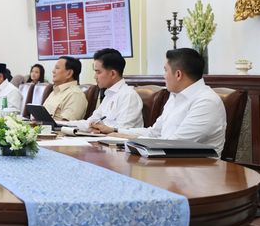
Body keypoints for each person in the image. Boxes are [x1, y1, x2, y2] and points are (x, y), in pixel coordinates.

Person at [91, 48, 227, 156]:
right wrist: (115, 131)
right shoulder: (175, 97)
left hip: (198, 172)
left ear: (178, 74)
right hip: (170, 164)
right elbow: (154, 133)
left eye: (165, 70)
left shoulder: (206, 102)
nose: (163, 76)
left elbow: (175, 144)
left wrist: (125, 137)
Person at [65, 48, 142, 132]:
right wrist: (60, 124)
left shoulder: (128, 96)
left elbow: (122, 131)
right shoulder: (109, 95)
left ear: (112, 74)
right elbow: (90, 123)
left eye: (98, 72)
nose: (95, 77)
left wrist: (101, 129)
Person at [42, 56, 87, 121]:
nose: (53, 71)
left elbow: (66, 124)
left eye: (57, 68)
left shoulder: (75, 94)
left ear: (69, 73)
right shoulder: (55, 91)